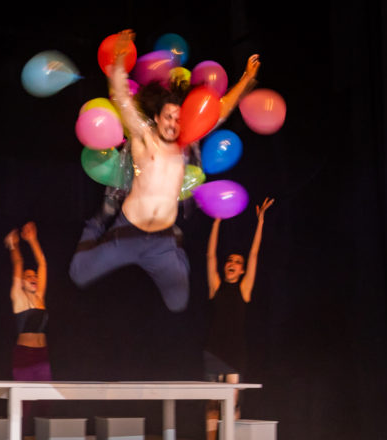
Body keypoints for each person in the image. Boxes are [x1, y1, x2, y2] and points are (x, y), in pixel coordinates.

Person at [69, 29, 260, 311]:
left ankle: (176, 246)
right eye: (168, 117)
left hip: (162, 242)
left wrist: (245, 81)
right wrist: (120, 58)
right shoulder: (143, 138)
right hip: (127, 233)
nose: (173, 123)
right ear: (157, 118)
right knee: (78, 271)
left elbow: (218, 113)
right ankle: (95, 225)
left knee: (178, 301)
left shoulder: (185, 142)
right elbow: (121, 97)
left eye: (178, 118)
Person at [201, 197, 274, 440]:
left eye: (236, 261)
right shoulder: (216, 286)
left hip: (234, 352)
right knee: (210, 402)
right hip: (213, 350)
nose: (231, 263)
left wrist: (261, 223)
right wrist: (217, 221)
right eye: (229, 260)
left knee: (231, 404)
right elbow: (210, 256)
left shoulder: (244, 290)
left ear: (241, 270)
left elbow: (254, 255)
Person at [4, 222, 51, 440]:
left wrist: (32, 239)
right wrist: (14, 246)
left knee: (46, 404)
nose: (33, 278)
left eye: (34, 277)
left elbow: (42, 263)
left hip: (42, 357)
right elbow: (19, 264)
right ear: (22, 282)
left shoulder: (40, 297)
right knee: (23, 408)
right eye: (28, 276)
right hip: (24, 358)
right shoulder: (19, 297)